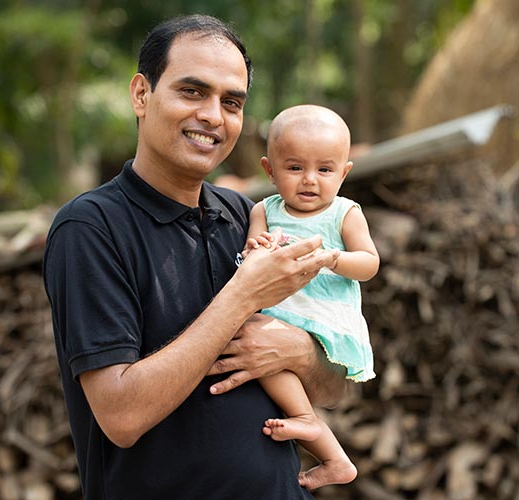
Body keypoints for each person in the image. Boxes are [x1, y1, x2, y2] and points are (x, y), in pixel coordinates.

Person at [43, 15, 347, 500]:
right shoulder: (91, 227)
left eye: (231, 102)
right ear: (141, 94)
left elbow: (334, 389)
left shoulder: (250, 219)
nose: (213, 115)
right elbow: (120, 417)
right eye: (192, 91)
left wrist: (299, 352)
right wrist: (242, 295)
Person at [242, 104, 379, 490]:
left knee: (269, 358)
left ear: (344, 173)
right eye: (295, 168)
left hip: (324, 313)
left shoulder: (344, 213)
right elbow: (253, 250)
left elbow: (369, 263)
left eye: (324, 169)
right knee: (265, 358)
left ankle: (314, 432)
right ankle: (333, 456)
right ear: (270, 170)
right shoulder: (263, 210)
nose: (309, 180)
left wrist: (334, 258)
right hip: (280, 310)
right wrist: (259, 245)